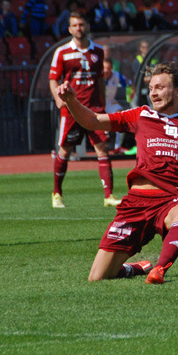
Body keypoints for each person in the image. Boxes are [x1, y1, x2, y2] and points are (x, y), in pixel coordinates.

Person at [55, 62, 178, 283]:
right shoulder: (141, 115)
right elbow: (93, 121)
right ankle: (134, 268)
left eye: (159, 87)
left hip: (172, 199)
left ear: (177, 91)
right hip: (136, 202)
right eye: (151, 88)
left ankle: (159, 270)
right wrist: (71, 101)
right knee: (97, 277)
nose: (153, 93)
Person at [48, 11, 121, 209]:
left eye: (81, 24)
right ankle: (57, 193)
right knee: (65, 149)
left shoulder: (98, 51)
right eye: (75, 25)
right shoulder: (62, 52)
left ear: (87, 26)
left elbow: (100, 79)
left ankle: (109, 196)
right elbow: (53, 79)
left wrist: (103, 102)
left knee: (102, 147)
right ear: (69, 29)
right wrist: (58, 98)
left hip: (95, 108)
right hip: (72, 108)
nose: (78, 28)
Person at [103, 58, 129, 154]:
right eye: (104, 68)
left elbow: (128, 83)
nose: (106, 70)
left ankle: (117, 146)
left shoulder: (117, 76)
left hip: (110, 102)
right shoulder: (97, 76)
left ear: (112, 68)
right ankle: (103, 146)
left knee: (121, 116)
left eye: (108, 68)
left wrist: (131, 91)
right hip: (98, 103)